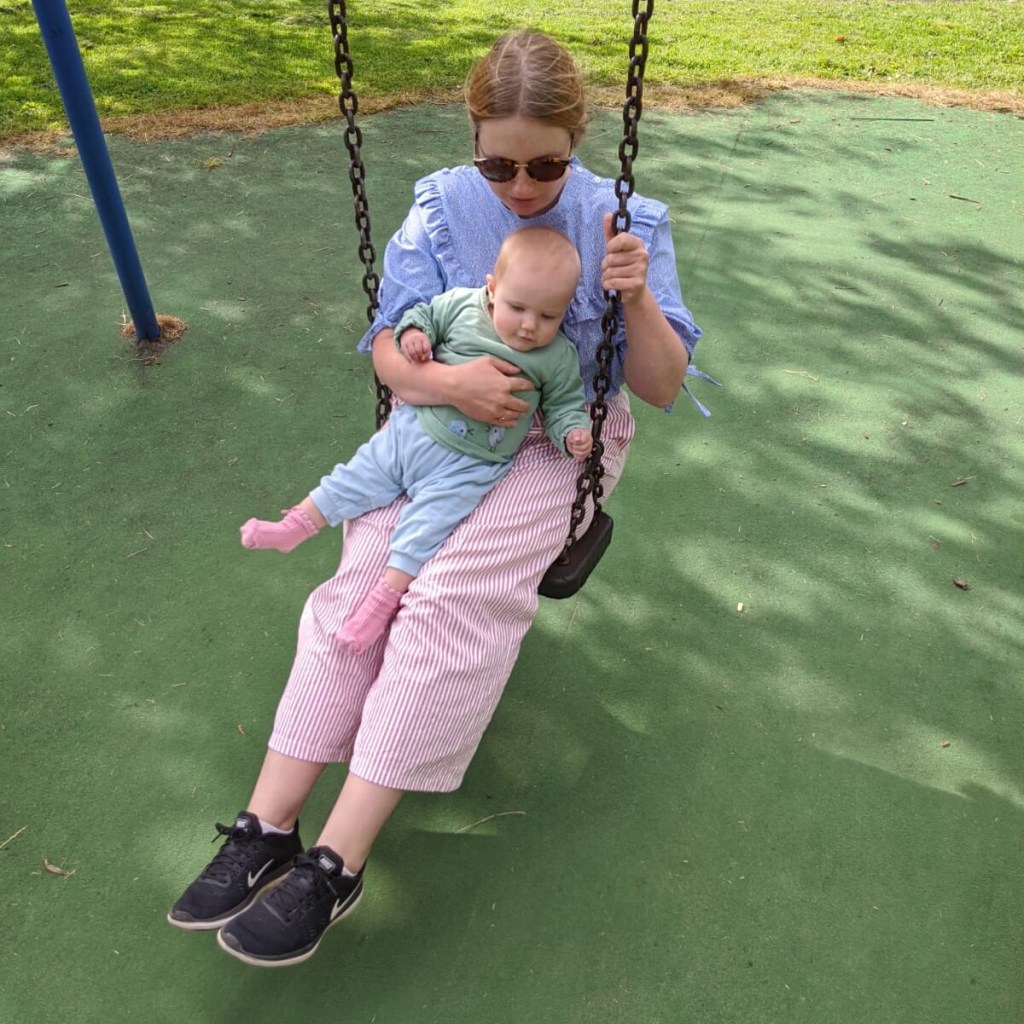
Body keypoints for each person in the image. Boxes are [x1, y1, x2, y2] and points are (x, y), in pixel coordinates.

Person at [167, 30, 703, 968]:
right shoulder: (442, 209)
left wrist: (636, 299)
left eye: (545, 165)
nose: (521, 186)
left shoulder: (626, 222)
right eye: (500, 164)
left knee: (445, 596)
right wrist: (450, 384)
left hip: (556, 447)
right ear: (473, 140)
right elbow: (389, 348)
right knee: (355, 587)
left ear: (577, 143)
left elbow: (658, 387)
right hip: (440, 427)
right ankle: (267, 825)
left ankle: (337, 862)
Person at [237, 226, 593, 655]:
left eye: (548, 317)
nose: (529, 326)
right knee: (357, 476)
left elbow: (564, 404)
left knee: (424, 530)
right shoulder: (460, 306)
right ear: (493, 288)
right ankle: (294, 526)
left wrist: (572, 432)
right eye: (517, 307)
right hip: (415, 430)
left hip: (473, 465)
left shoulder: (557, 357)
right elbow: (421, 316)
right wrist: (414, 336)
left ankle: (377, 608)